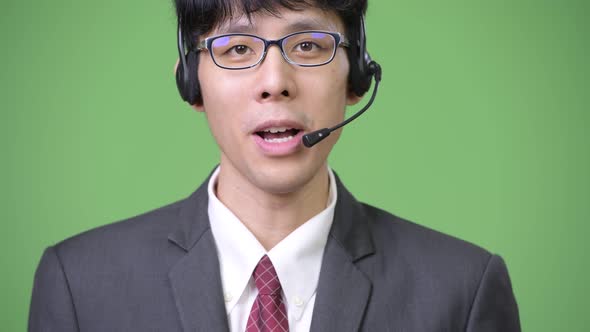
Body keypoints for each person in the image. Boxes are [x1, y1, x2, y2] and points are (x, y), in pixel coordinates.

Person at [28, 0, 520, 331]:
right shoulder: (78, 285)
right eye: (238, 48)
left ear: (358, 74)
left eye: (307, 45)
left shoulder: (463, 291)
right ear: (191, 82)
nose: (274, 82)